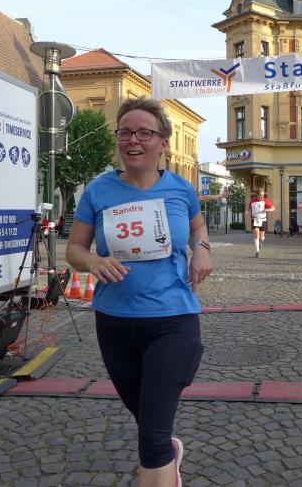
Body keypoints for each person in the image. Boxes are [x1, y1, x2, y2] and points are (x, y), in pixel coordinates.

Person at [66, 97, 212, 487]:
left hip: (172, 320)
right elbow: (74, 249)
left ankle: (163, 459)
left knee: (152, 439)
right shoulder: (98, 191)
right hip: (114, 322)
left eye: (144, 133)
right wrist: (92, 261)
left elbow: (198, 228)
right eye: (125, 132)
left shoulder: (181, 189)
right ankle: (169, 454)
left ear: (163, 143)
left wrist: (202, 250)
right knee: (146, 419)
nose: (133, 140)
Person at [247, 189, 274, 258]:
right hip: (255, 219)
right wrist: (247, 212)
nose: (262, 196)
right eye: (261, 195)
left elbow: (273, 208)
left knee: (261, 238)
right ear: (257, 195)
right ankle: (257, 252)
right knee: (256, 234)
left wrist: (268, 209)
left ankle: (260, 242)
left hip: (263, 220)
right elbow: (249, 209)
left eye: (263, 195)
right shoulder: (252, 201)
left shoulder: (265, 200)